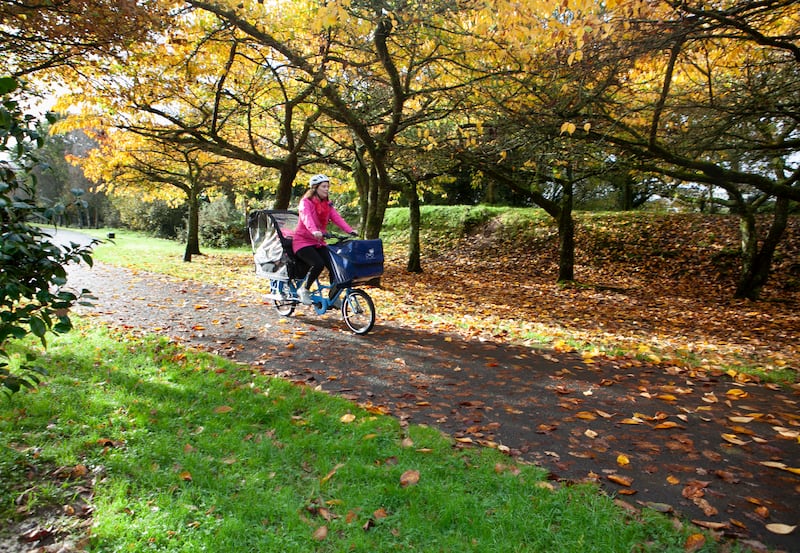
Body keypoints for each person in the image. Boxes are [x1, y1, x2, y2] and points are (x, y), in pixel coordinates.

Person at [293, 174, 358, 305]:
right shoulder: (306, 202)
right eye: (324, 186)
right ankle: (304, 289)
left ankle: (334, 295)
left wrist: (349, 230)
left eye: (328, 186)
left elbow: (337, 218)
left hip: (318, 242)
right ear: (315, 188)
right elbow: (306, 218)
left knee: (335, 264)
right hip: (302, 241)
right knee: (318, 263)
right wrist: (314, 230)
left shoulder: (327, 204)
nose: (327, 189)